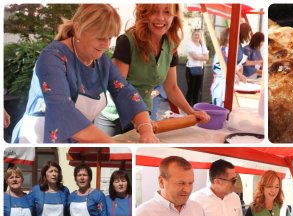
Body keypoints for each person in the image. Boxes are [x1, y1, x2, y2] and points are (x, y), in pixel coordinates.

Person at [11, 4, 158, 144]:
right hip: (40, 138)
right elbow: (63, 111)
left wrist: (146, 130)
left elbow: (125, 92)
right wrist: (111, 143)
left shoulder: (101, 61)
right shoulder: (52, 58)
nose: (106, 45)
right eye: (101, 38)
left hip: (79, 138)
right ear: (78, 29)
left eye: (110, 38)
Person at [110, 4, 210, 123]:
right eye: (154, 11)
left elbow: (171, 87)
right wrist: (141, 120)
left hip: (146, 113)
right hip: (117, 116)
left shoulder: (171, 45)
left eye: (167, 12)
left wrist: (191, 112)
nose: (160, 18)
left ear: (174, 16)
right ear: (144, 14)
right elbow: (117, 89)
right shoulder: (127, 42)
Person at [211, 27, 247, 107]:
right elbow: (228, 65)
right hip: (222, 83)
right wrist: (240, 75)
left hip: (230, 82)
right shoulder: (222, 49)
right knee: (221, 106)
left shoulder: (233, 49)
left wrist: (239, 74)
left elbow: (238, 65)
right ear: (226, 36)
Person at [185, 29, 209, 106]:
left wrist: (198, 56)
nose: (197, 36)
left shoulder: (203, 45)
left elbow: (207, 57)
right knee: (190, 89)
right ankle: (188, 106)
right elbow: (194, 57)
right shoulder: (190, 44)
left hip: (200, 69)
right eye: (195, 34)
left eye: (198, 35)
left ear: (201, 36)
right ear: (192, 35)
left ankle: (195, 106)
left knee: (197, 90)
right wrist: (202, 56)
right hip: (191, 69)